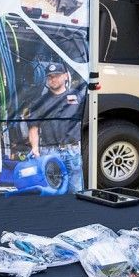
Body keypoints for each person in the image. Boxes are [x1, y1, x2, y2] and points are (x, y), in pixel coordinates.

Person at [27, 62, 83, 193]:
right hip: (50, 152)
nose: (53, 79)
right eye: (50, 76)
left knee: (76, 190)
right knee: (54, 191)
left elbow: (88, 120)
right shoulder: (40, 102)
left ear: (65, 76)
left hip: (73, 150)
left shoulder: (77, 96)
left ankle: (76, 213)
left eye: (57, 75)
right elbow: (33, 127)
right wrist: (35, 148)